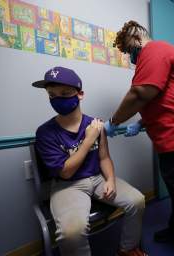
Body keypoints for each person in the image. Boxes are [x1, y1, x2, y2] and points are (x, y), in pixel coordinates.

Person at [104, 20, 174, 256]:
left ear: (137, 37)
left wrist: (114, 121)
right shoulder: (160, 54)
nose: (129, 56)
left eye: (127, 49)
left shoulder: (153, 50)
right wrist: (141, 122)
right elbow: (164, 97)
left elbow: (140, 93)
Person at [33, 66, 146, 256]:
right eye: (52, 95)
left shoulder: (94, 123)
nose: (57, 99)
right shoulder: (45, 133)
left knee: (137, 201)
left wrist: (110, 179)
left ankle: (128, 249)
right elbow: (66, 172)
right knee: (71, 233)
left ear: (80, 94)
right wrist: (88, 139)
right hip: (67, 185)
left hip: (97, 178)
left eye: (65, 93)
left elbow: (104, 158)